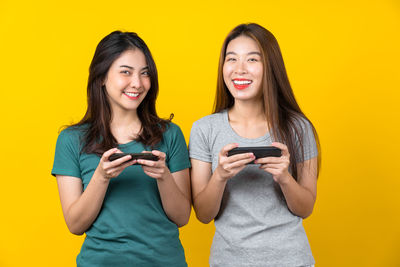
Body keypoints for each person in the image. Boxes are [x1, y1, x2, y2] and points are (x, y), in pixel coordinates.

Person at [52, 31, 191, 267]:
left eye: (144, 73)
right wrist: (101, 176)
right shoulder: (71, 140)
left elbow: (182, 217)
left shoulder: (170, 134)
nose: (137, 83)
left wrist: (163, 176)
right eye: (125, 72)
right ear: (102, 77)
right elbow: (75, 225)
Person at [189, 23, 320, 267]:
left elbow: (305, 208)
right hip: (227, 261)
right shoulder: (204, 129)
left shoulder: (298, 128)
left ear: (270, 67)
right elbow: (204, 215)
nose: (239, 70)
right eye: (231, 59)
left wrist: (284, 178)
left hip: (291, 260)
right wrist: (220, 175)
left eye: (252, 59)